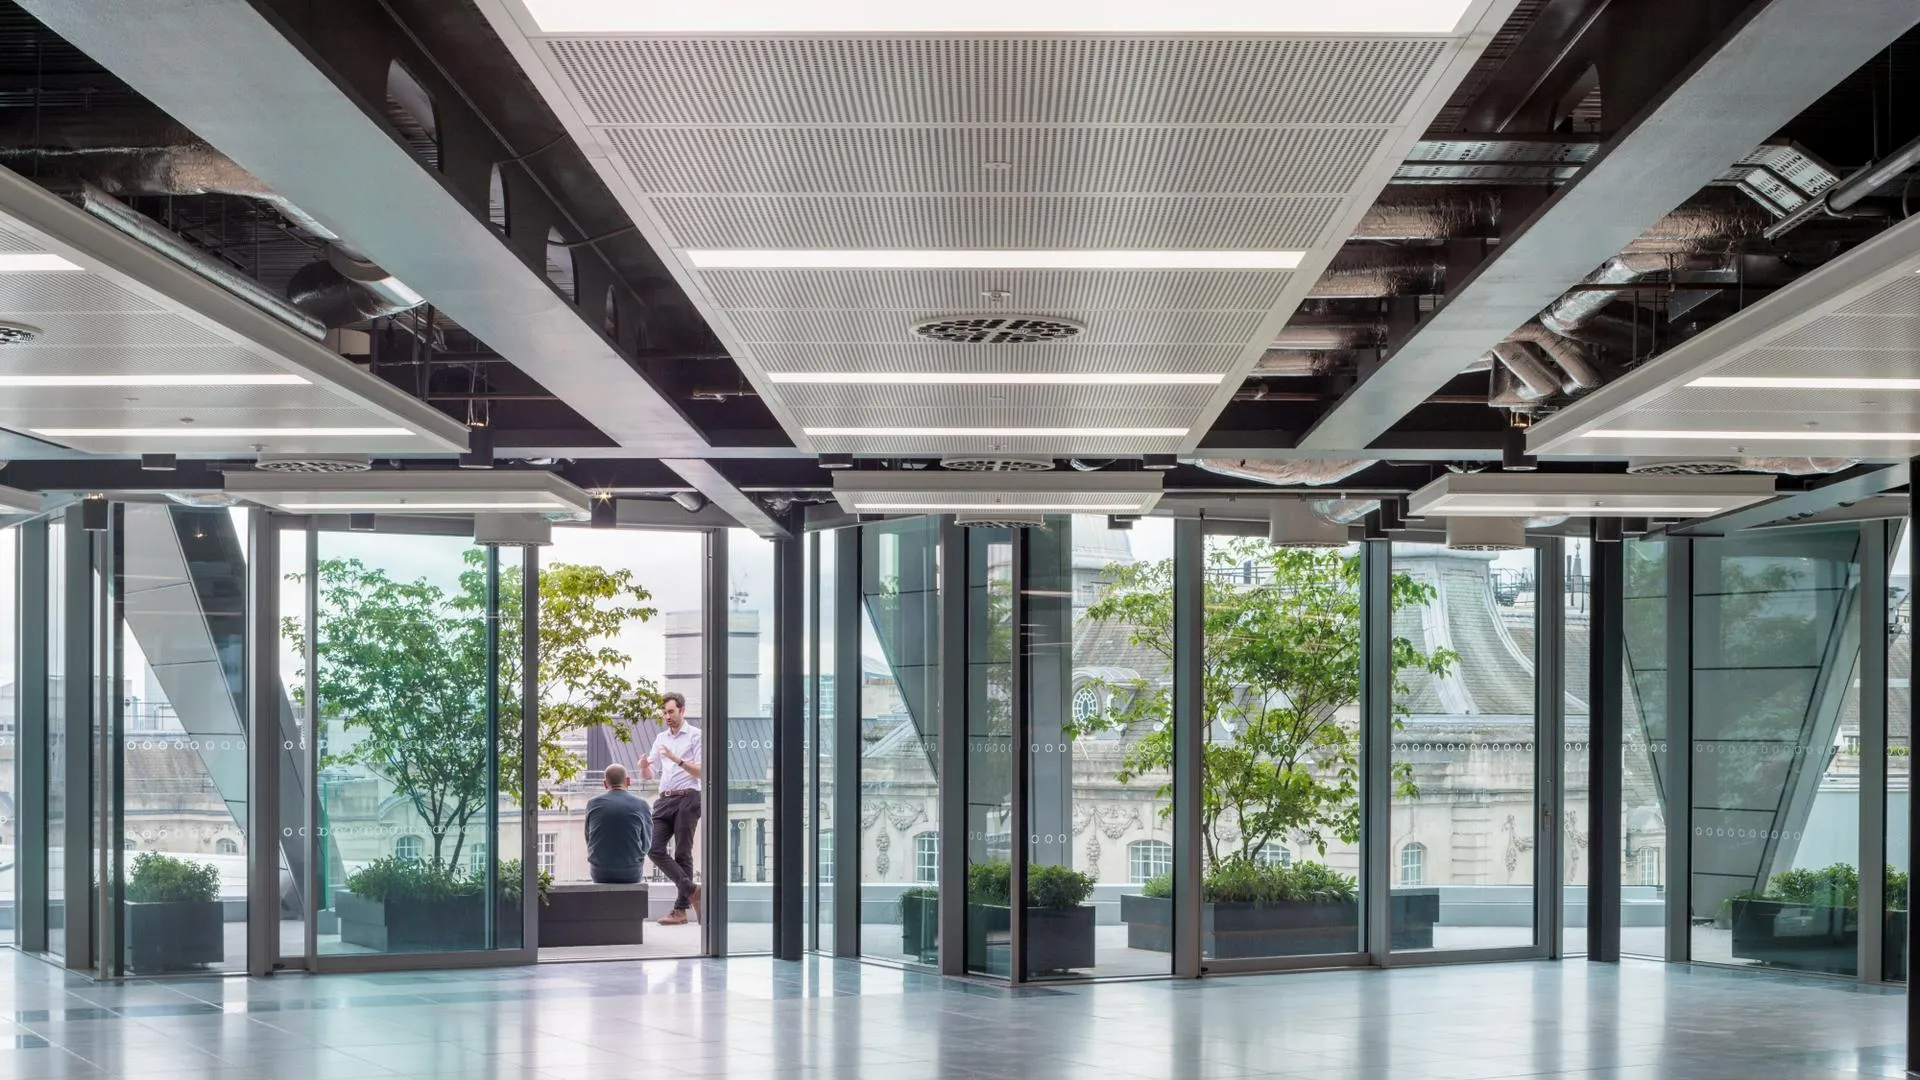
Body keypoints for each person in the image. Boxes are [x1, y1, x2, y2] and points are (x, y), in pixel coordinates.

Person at [639, 691, 702, 925]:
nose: (667, 716)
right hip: (665, 799)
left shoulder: (696, 736)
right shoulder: (660, 738)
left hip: (689, 797)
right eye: (664, 712)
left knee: (683, 853)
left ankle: (680, 911)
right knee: (654, 848)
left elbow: (702, 771)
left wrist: (677, 759)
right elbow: (649, 775)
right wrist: (644, 766)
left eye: (671, 711)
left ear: (682, 711)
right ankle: (693, 890)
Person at [584, 763, 651, 885]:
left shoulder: (592, 804)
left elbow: (589, 838)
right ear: (628, 781)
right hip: (631, 873)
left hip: (600, 873)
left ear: (605, 784)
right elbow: (646, 843)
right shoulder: (641, 805)